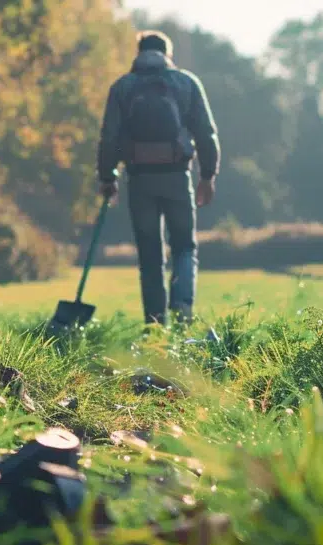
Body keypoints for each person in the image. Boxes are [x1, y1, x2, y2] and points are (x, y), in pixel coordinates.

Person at [96, 30, 221, 327]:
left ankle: (155, 324)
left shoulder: (123, 87)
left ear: (138, 52)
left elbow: (109, 137)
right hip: (177, 176)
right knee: (184, 247)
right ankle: (183, 312)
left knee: (149, 252)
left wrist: (106, 177)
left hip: (139, 180)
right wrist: (207, 175)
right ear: (168, 54)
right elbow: (206, 133)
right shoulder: (186, 83)